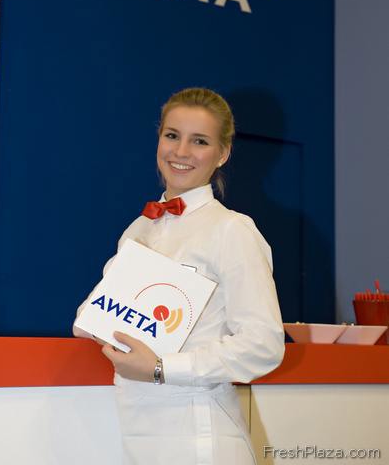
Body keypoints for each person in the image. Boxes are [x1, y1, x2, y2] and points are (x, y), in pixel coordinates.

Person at [74, 87, 285, 465]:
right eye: (172, 135)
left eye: (199, 141)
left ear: (223, 153)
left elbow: (263, 346)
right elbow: (92, 315)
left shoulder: (232, 230)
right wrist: (98, 324)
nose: (181, 151)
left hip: (200, 435)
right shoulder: (138, 229)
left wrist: (160, 368)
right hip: (136, 433)